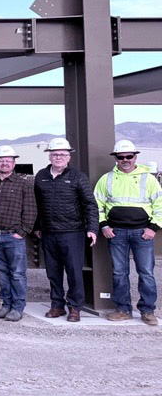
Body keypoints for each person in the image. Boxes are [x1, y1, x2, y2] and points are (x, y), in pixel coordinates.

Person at [95, 139, 162, 326]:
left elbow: (160, 205)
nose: (125, 159)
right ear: (115, 158)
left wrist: (153, 228)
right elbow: (97, 205)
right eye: (120, 156)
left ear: (135, 157)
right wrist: (104, 226)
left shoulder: (148, 178)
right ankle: (123, 309)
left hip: (142, 233)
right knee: (119, 272)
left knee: (146, 272)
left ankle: (147, 310)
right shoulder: (106, 179)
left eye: (128, 156)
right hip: (116, 233)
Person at [33, 138, 97, 322]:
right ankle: (57, 305)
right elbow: (36, 204)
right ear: (50, 156)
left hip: (73, 232)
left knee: (74, 272)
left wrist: (92, 228)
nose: (58, 157)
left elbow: (90, 204)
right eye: (55, 154)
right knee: (53, 272)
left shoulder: (78, 177)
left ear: (69, 157)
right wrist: (37, 226)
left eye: (62, 154)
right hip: (48, 232)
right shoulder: (41, 176)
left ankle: (75, 308)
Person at [0, 145, 37, 322]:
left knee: (17, 273)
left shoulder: (23, 184)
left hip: (13, 236)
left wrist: (22, 232)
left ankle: (17, 307)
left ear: (14, 163)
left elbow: (30, 210)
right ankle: (6, 304)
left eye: (8, 161)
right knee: (1, 272)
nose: (5, 163)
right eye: (1, 160)